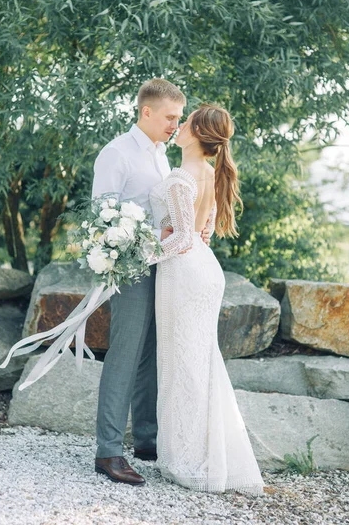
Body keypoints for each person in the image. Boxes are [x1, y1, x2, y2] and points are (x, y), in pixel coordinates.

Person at [93, 79, 210, 486]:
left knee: (153, 357)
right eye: (170, 118)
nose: (176, 126)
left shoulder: (164, 157)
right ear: (146, 112)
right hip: (133, 269)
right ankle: (108, 451)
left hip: (170, 269)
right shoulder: (116, 154)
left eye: (180, 119)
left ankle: (147, 440)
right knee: (124, 356)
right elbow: (101, 219)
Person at [148, 104, 265, 494]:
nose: (178, 127)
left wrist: (136, 254)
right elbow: (202, 236)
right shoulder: (213, 174)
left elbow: (181, 240)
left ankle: (188, 461)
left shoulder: (181, 177)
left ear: (197, 133)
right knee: (198, 363)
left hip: (183, 275)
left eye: (186, 122)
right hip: (205, 271)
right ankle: (198, 456)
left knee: (182, 364)